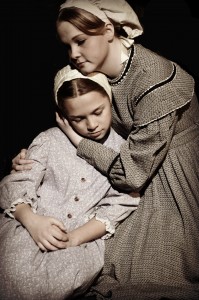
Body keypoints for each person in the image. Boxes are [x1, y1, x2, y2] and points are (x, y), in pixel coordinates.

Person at [11, 0, 199, 299]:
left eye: (81, 41)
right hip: (128, 163)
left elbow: (133, 175)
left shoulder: (155, 81)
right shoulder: (94, 71)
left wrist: (77, 140)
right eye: (67, 45)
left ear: (109, 30)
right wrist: (33, 154)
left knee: (144, 272)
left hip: (169, 176)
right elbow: (75, 105)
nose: (74, 53)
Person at [0, 64, 140, 300]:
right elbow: (20, 181)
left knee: (56, 280)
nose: (92, 125)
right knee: (14, 271)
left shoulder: (123, 153)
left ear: (110, 102)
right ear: (63, 116)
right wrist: (32, 221)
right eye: (78, 118)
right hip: (31, 224)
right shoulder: (49, 140)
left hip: (83, 239)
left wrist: (76, 238)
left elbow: (122, 202)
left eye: (98, 111)